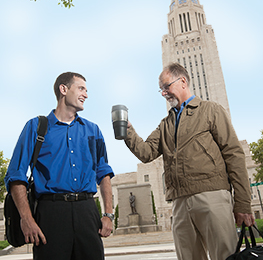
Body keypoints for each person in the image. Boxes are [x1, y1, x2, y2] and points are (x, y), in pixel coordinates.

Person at [124, 63, 254, 260]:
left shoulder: (211, 111)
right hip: (180, 203)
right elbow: (146, 153)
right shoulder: (166, 124)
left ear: (183, 81)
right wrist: (127, 130)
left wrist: (243, 204)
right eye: (161, 89)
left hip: (212, 197)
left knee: (225, 256)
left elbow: (234, 155)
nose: (163, 93)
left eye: (166, 86)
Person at [5, 72, 115, 260]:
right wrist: (26, 218)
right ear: (63, 89)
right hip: (50, 214)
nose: (86, 95)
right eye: (81, 88)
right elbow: (16, 176)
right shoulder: (35, 127)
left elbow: (103, 172)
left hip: (87, 211)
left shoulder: (93, 130)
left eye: (86, 90)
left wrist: (109, 214)